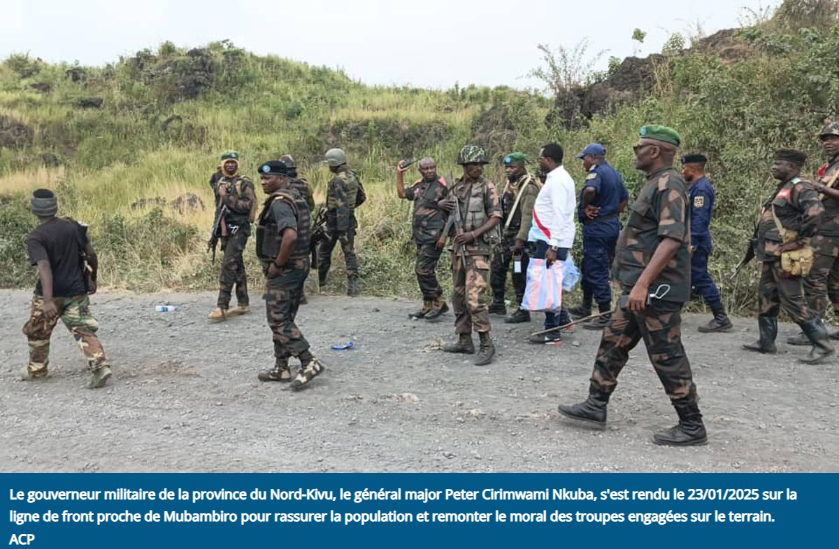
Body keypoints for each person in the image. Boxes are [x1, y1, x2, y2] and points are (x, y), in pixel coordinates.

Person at [557, 125, 707, 446]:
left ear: (655, 151)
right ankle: (596, 404)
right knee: (612, 342)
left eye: (640, 146)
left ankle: (692, 424)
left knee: (666, 354)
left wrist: (642, 284)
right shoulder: (655, 183)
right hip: (640, 289)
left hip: (656, 291)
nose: (635, 151)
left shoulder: (670, 184)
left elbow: (672, 238)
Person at [743, 149, 835, 364]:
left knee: (792, 299)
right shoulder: (783, 187)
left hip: (786, 254)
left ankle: (822, 344)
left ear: (792, 167)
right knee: (767, 296)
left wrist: (799, 240)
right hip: (771, 254)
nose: (774, 167)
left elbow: (816, 214)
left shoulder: (801, 186)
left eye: (779, 163)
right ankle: (766, 341)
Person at [21, 189, 112, 389]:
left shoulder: (36, 237)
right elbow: (91, 254)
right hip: (77, 291)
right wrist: (93, 278)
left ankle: (37, 370)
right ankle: (100, 366)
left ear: (35, 210)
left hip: (51, 295)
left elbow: (44, 267)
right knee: (82, 329)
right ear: (55, 206)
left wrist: (47, 301)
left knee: (38, 332)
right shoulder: (73, 226)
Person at [255, 160, 325, 390]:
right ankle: (281, 367)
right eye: (262, 178)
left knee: (277, 318)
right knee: (285, 315)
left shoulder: (280, 203)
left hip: (285, 269)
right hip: (299, 265)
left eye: (268, 178)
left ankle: (308, 361)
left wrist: (277, 265)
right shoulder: (296, 196)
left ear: (282, 179)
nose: (264, 182)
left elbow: (290, 236)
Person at [438, 145, 502, 366]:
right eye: (473, 164)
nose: (477, 168)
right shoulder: (455, 188)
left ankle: (486, 343)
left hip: (478, 251)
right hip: (458, 251)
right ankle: (464, 340)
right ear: (464, 166)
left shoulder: (487, 187)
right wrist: (441, 205)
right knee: (459, 297)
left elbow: (495, 217)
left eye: (480, 164)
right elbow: (449, 218)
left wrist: (473, 234)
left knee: (475, 299)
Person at [788, 121, 839, 344]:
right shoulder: (831, 167)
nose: (828, 142)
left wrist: (819, 187)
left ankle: (814, 330)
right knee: (834, 282)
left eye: (834, 138)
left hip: (830, 232)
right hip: (827, 229)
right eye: (826, 139)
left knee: (815, 279)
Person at [568, 143, 628, 330]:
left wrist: (586, 206)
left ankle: (604, 313)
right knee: (589, 265)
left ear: (593, 157)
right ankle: (585, 306)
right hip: (611, 225)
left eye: (584, 158)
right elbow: (625, 199)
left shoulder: (597, 173)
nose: (583, 163)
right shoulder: (614, 173)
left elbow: (591, 190)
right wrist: (612, 214)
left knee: (597, 268)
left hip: (597, 228)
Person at [527, 143, 576, 344]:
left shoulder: (558, 181)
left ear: (548, 159)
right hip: (549, 238)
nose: (540, 162)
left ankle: (552, 332)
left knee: (549, 286)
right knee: (551, 283)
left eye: (541, 159)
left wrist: (553, 246)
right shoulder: (556, 178)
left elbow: (559, 214)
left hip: (551, 241)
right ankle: (563, 319)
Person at [489, 152, 542, 324]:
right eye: (507, 167)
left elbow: (528, 215)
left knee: (519, 272)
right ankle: (498, 302)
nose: (508, 170)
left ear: (522, 166)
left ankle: (523, 308)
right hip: (506, 236)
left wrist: (521, 239)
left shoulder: (529, 186)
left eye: (512, 167)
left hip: (520, 238)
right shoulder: (510, 185)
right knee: (497, 267)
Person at [682, 153, 732, 332]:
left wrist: (692, 243)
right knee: (686, 276)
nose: (683, 171)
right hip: (693, 240)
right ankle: (672, 313)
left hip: (697, 242)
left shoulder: (701, 189)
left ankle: (721, 317)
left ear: (694, 169)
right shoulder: (695, 186)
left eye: (685, 168)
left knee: (700, 277)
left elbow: (699, 219)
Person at [396, 157, 450, 320]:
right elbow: (402, 194)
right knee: (423, 271)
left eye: (432, 168)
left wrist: (444, 236)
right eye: (425, 169)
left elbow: (453, 214)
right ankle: (428, 304)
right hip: (420, 235)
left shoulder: (443, 186)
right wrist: (399, 174)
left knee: (423, 270)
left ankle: (439, 302)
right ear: (420, 170)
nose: (429, 171)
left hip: (434, 236)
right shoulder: (420, 184)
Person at [208, 150, 256, 321]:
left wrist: (227, 197)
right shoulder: (220, 181)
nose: (230, 165)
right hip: (225, 230)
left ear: (238, 164)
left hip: (239, 229)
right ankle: (243, 303)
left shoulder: (244, 183)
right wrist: (215, 232)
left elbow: (246, 206)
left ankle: (222, 306)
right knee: (237, 265)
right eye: (227, 162)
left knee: (228, 265)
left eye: (233, 162)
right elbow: (218, 209)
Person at [318, 148, 362, 297]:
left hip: (335, 221)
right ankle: (353, 287)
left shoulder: (337, 180)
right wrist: (350, 209)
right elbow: (362, 197)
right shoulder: (352, 176)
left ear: (333, 164)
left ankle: (321, 282)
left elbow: (340, 204)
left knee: (324, 251)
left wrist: (339, 227)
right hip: (348, 219)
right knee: (349, 253)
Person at [281, 153, 315, 305]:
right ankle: (299, 292)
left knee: (286, 256)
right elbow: (311, 206)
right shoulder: (304, 184)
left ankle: (290, 291)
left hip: (286, 226)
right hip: (304, 225)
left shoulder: (281, 185)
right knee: (302, 257)